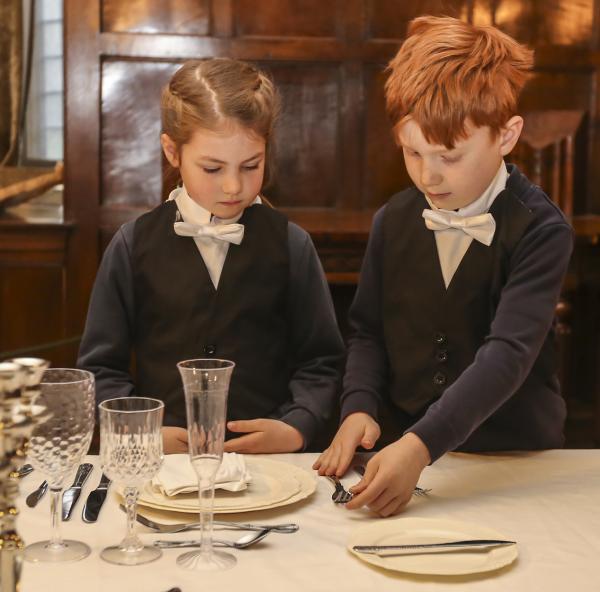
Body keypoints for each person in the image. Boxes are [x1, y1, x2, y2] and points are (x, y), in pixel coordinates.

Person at [314, 16, 574, 516]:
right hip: (403, 450)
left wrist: (421, 445)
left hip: (514, 458)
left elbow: (508, 355)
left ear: (506, 135)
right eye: (412, 152)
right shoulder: (393, 219)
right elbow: (368, 331)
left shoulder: (542, 229)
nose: (428, 176)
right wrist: (359, 405)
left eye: (450, 156)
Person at [78, 58, 345, 454]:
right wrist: (139, 430)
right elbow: (101, 368)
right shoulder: (132, 244)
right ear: (172, 151)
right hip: (161, 463)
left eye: (251, 165)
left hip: (268, 464)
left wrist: (296, 425)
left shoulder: (292, 245)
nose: (234, 185)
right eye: (212, 167)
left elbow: (321, 361)